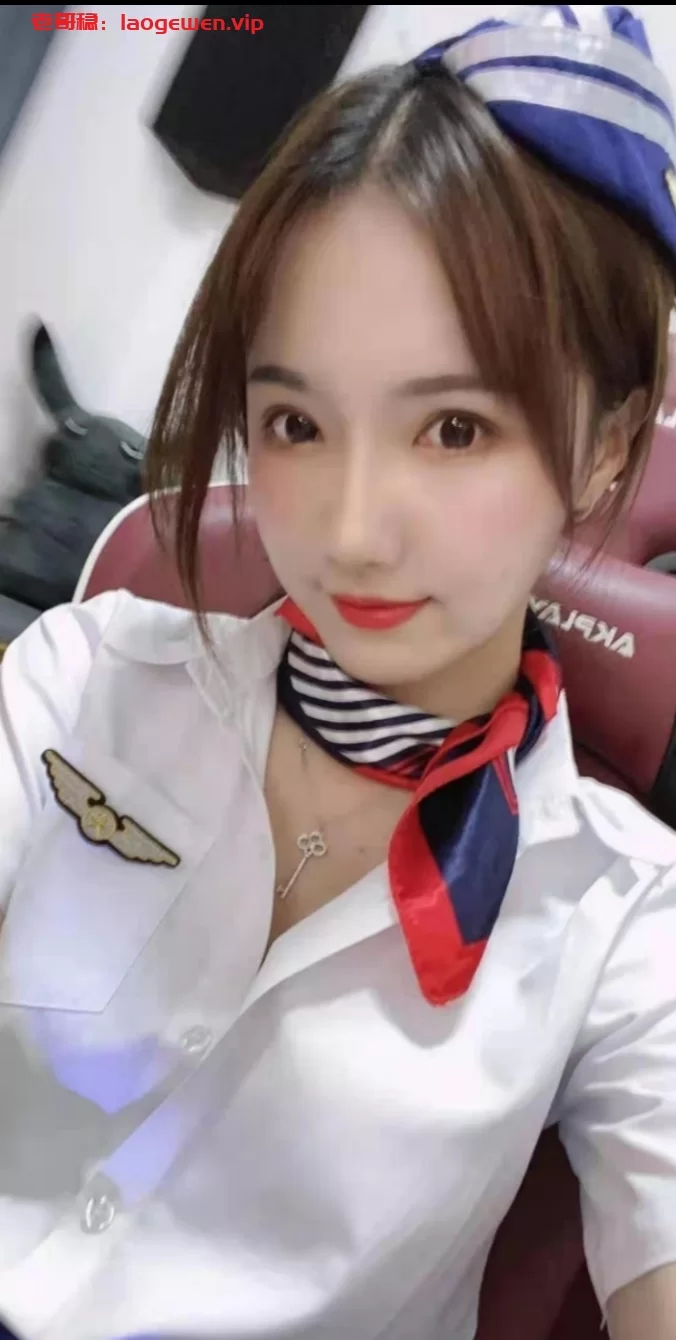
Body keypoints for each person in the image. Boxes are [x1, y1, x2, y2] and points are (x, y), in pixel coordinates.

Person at [1, 4, 676, 1338]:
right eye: (297, 421)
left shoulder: (622, 921)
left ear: (608, 447)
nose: (351, 530)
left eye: (455, 428)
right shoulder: (86, 676)